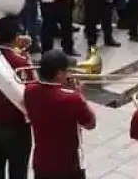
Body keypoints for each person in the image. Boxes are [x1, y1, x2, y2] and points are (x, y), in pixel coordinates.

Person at [24, 50, 96, 179]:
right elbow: (91, 124)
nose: (69, 73)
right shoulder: (73, 98)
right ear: (58, 74)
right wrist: (78, 94)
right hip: (68, 166)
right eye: (67, 70)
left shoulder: (29, 90)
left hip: (41, 163)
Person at [0, 15, 33, 179]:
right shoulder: (20, 62)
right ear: (15, 37)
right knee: (18, 171)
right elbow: (32, 89)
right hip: (16, 125)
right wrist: (27, 58)